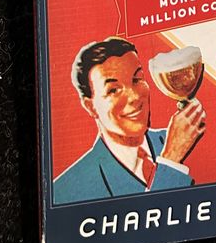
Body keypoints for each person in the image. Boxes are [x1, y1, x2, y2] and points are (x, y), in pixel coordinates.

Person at [53, 37, 206, 204]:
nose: (134, 97)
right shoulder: (65, 192)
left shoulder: (187, 139)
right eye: (113, 90)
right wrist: (170, 160)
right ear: (90, 106)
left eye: (137, 79)